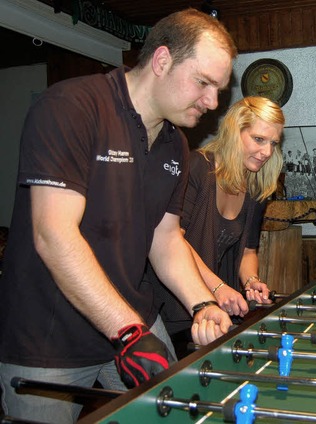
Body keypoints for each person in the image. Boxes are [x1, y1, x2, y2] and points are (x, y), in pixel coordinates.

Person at [0, 9, 236, 423]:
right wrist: (128, 332)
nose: (213, 103)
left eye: (219, 89)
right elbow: (53, 234)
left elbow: (165, 240)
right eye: (204, 83)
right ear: (162, 61)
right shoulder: (72, 106)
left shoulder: (175, 145)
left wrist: (202, 301)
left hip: (133, 320)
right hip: (49, 337)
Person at [153, 96, 283, 356]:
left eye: (273, 143)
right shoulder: (196, 167)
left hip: (214, 310)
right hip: (171, 305)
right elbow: (173, 240)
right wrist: (217, 287)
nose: (267, 152)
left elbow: (248, 251)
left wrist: (251, 281)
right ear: (235, 132)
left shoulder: (256, 185)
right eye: (259, 139)